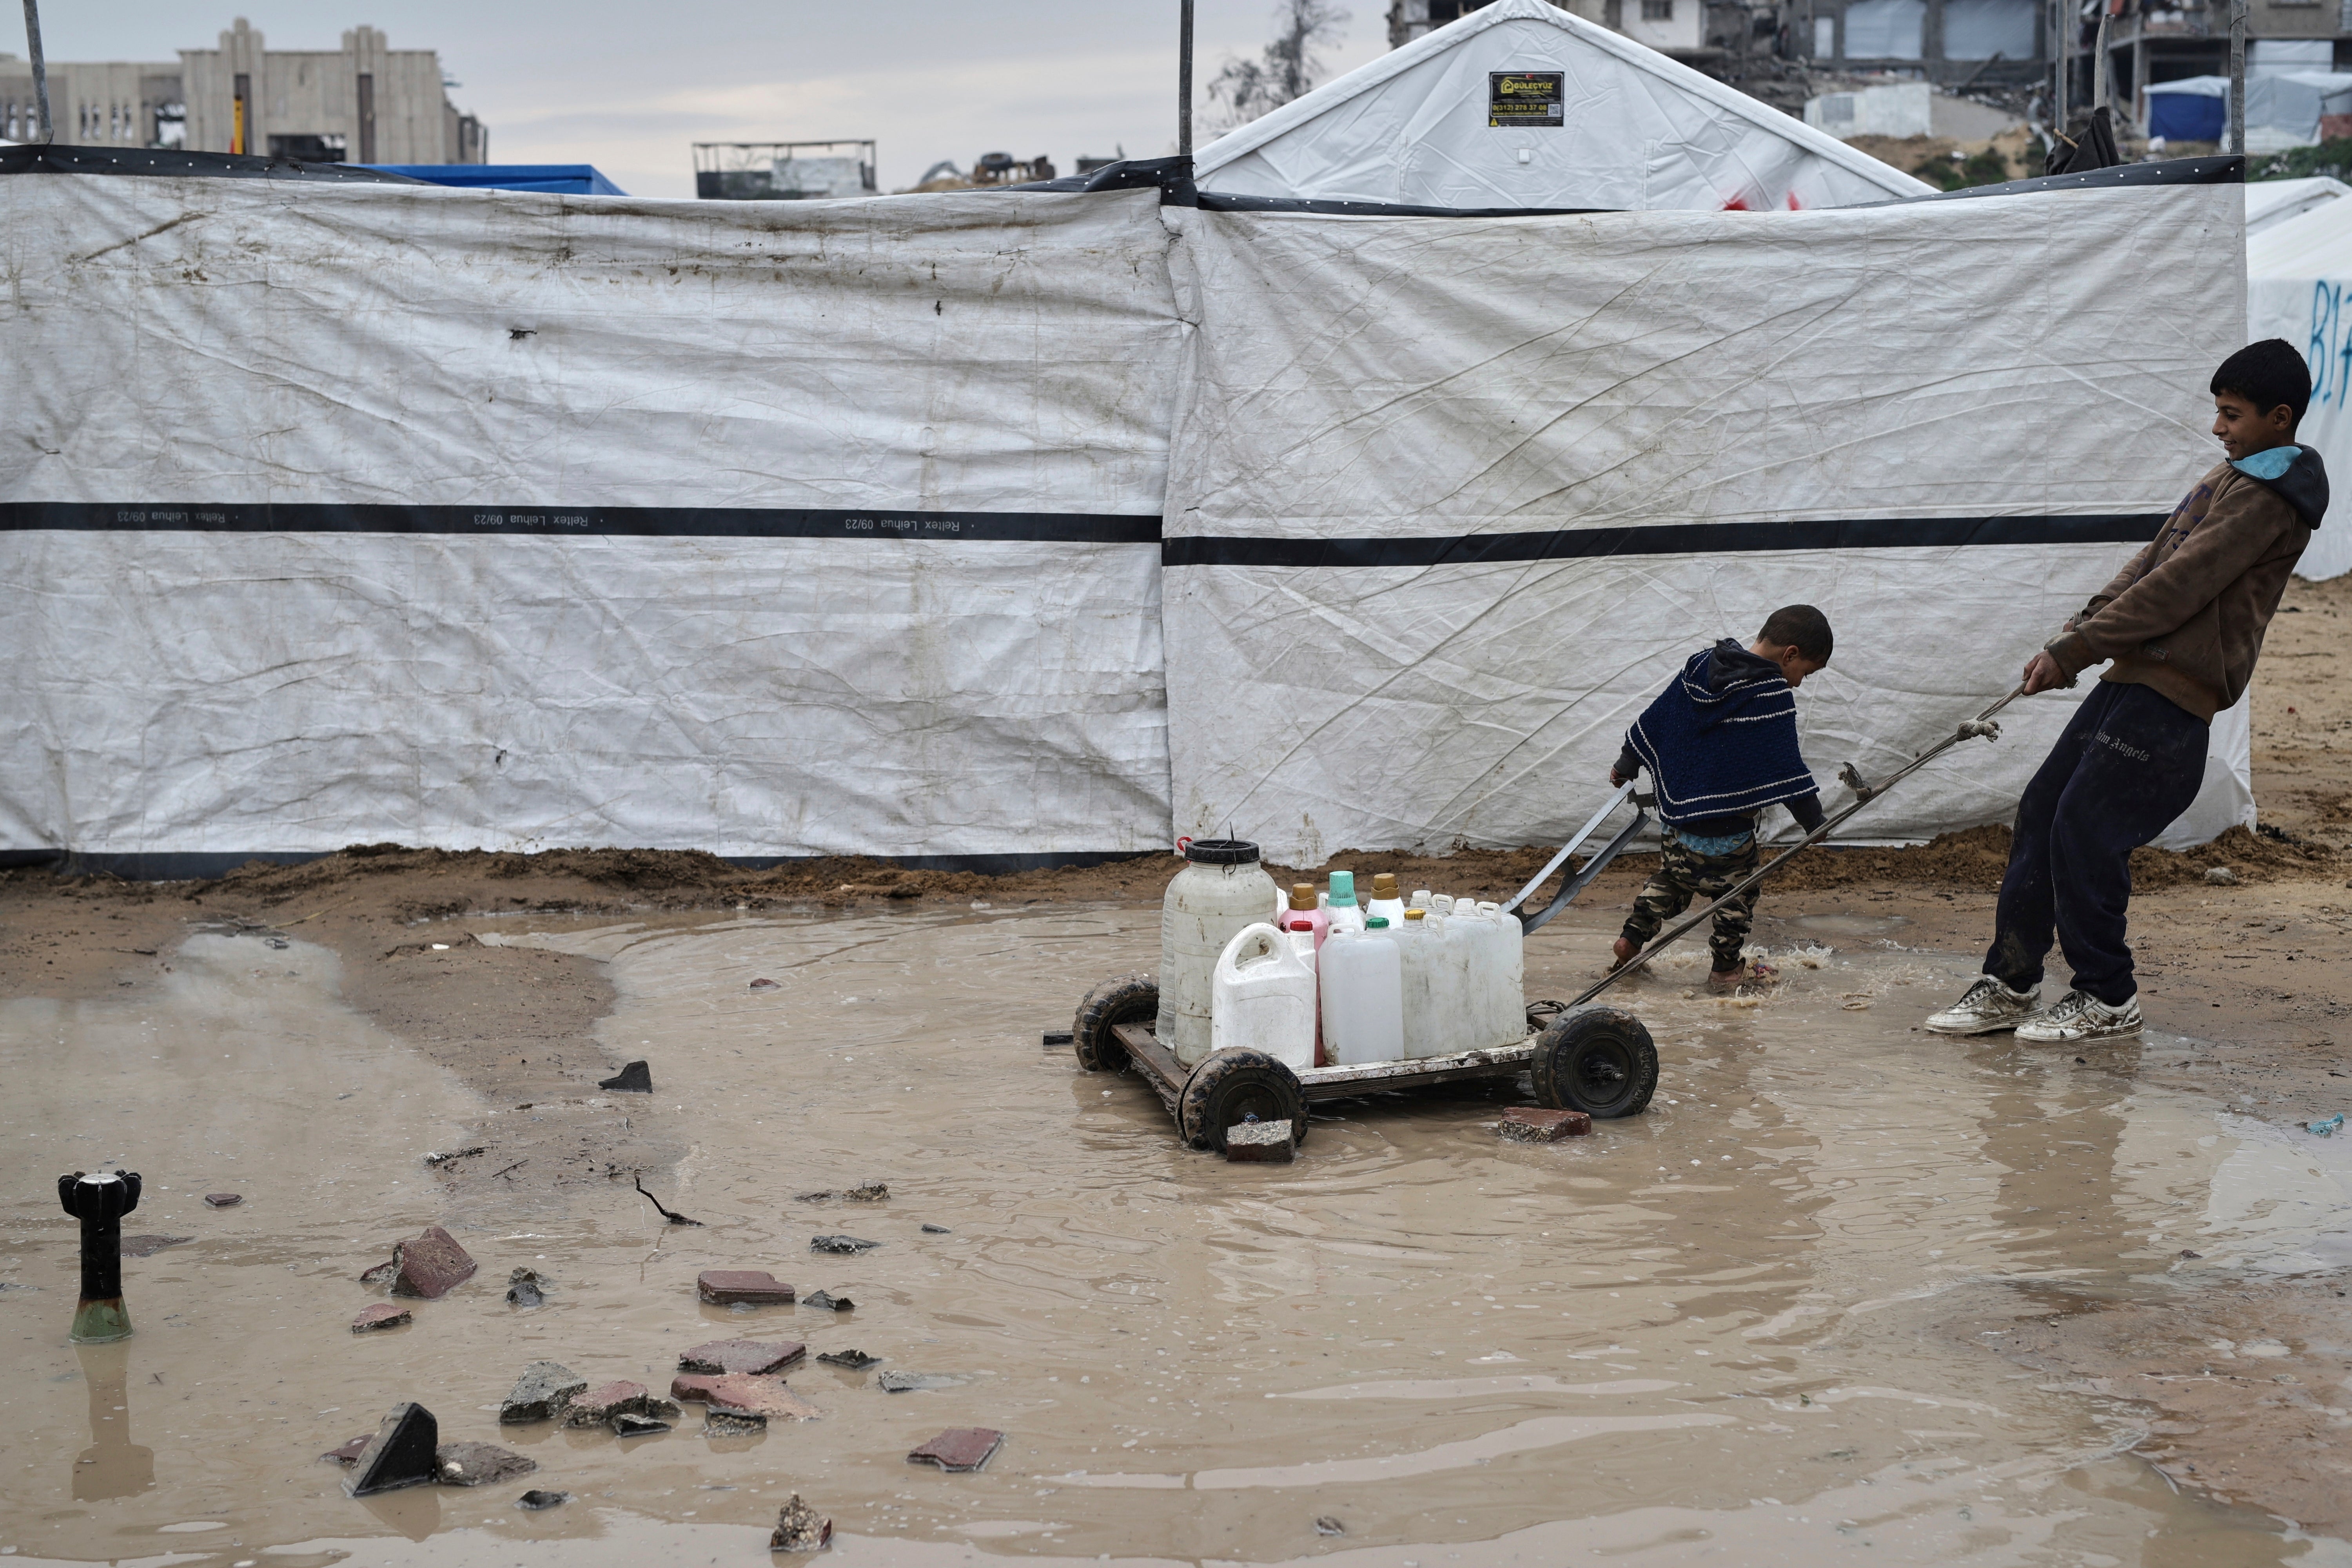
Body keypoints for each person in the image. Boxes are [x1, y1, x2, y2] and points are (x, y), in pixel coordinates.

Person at [1927, 339, 2326, 1044]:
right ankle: (2012, 980)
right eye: (2218, 413)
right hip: (2131, 676)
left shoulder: (2269, 501)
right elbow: (2151, 560)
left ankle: (2107, 997)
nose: (2218, 428)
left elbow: (2179, 586)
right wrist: (2075, 636)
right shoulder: (2228, 476)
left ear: (2280, 418)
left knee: (2085, 828)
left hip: (2175, 696)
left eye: (2232, 415)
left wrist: (2077, 649)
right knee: (2044, 809)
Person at [1608, 606, 1832, 991]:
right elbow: (1786, 766)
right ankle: (1725, 970)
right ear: (1790, 654)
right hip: (1729, 832)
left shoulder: (1700, 666)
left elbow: (1660, 716)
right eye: (1805, 673)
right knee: (1737, 895)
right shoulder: (1770, 692)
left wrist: (1627, 762)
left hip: (1677, 821)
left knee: (1673, 880)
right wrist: (1815, 823)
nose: (1798, 683)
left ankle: (1631, 938)